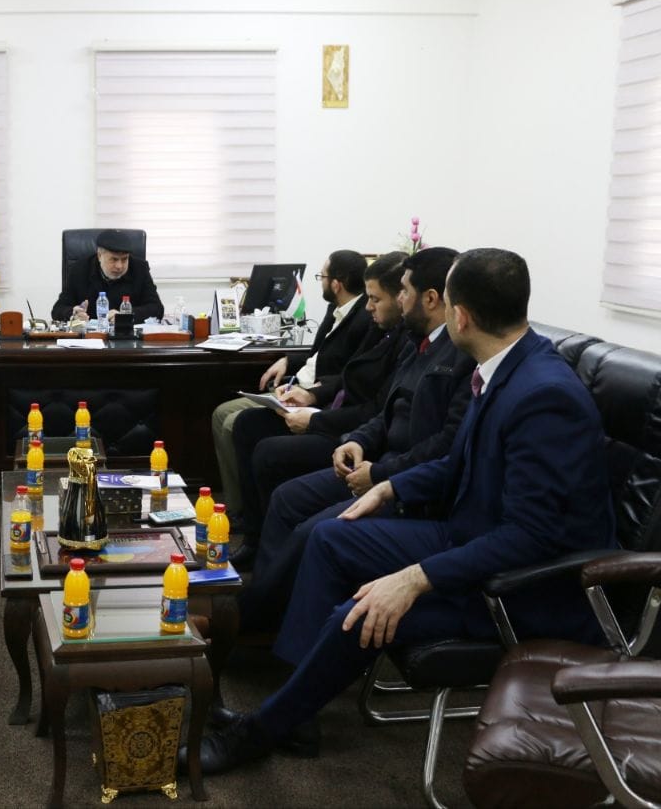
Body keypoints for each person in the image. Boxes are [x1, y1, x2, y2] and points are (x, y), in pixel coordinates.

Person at [186, 248, 616, 774]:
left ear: (460, 315)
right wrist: (388, 490)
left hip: (524, 585)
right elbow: (457, 462)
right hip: (471, 535)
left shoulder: (545, 395)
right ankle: (296, 707)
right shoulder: (507, 366)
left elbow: (531, 537)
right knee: (332, 536)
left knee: (362, 611)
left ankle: (261, 731)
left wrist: (414, 578)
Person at [234, 247, 473, 646]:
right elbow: (385, 410)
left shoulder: (462, 356)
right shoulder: (418, 343)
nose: (397, 299)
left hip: (404, 483)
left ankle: (257, 625)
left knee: (315, 532)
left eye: (404, 291)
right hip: (376, 461)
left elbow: (445, 446)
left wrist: (379, 474)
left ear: (431, 299)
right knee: (287, 498)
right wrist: (358, 441)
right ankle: (267, 609)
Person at [228, 251, 409, 568]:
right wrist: (311, 397)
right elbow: (342, 371)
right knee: (248, 423)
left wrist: (316, 420)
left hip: (350, 430)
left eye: (376, 299)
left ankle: (269, 551)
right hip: (337, 412)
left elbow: (376, 410)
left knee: (269, 453)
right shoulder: (381, 326)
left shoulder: (401, 339)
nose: (369, 307)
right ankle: (253, 533)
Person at [209, 250, 372, 508]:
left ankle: (242, 510)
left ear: (336, 284)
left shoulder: (365, 318)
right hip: (296, 385)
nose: (320, 282)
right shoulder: (335, 308)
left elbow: (350, 374)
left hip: (313, 397)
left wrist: (314, 392)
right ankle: (235, 504)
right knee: (221, 414)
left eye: (322, 276)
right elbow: (318, 353)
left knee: (233, 422)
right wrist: (288, 360)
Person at [50, 228, 164, 322]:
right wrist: (73, 313)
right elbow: (57, 310)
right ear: (100, 256)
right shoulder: (79, 270)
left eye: (124, 259)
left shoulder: (140, 269)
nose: (119, 266)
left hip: (126, 337)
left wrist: (126, 315)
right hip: (91, 338)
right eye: (114, 259)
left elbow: (157, 309)